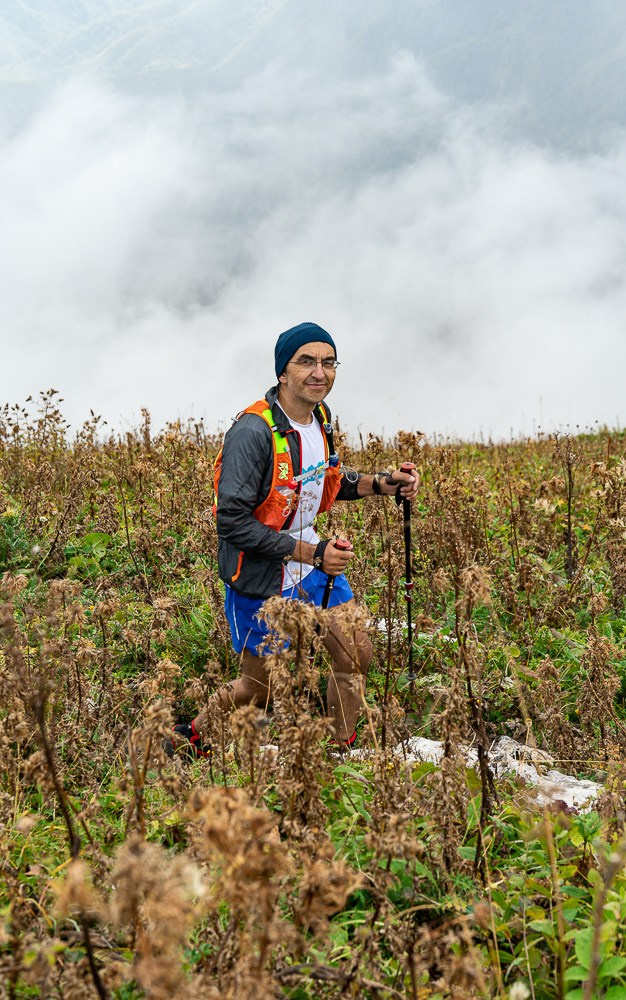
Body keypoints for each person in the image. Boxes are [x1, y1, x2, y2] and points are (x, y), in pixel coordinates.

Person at [171, 322, 418, 757]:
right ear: (282, 373)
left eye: (328, 362)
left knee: (355, 654)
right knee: (259, 686)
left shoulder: (317, 419)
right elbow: (231, 522)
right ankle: (192, 737)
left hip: (312, 564)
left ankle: (343, 749)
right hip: (261, 572)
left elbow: (326, 482)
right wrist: (314, 553)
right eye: (305, 361)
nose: (319, 372)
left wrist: (384, 484)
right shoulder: (252, 433)